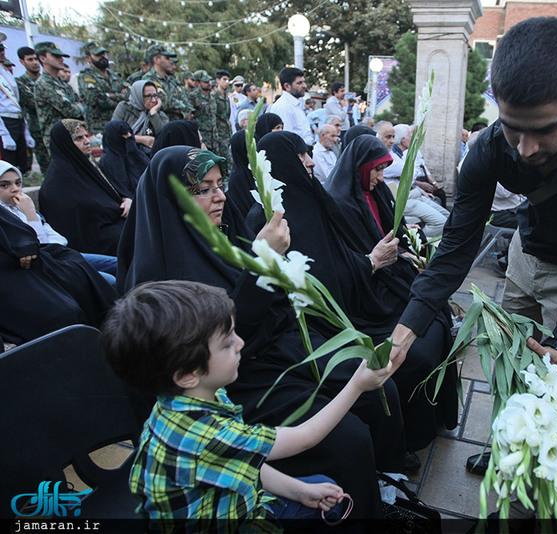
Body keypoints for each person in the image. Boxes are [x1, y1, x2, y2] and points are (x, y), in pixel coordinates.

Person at [117, 146, 405, 518]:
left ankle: (385, 486)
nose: (220, 196)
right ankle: (355, 509)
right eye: (202, 189)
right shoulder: (159, 277)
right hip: (231, 381)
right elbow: (228, 336)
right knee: (347, 440)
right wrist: (263, 265)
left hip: (273, 350)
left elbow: (275, 307)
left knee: (380, 389)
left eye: (219, 184)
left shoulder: (224, 231)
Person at [388, 17, 557, 388]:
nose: (525, 149)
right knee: (507, 364)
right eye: (513, 126)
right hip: (523, 257)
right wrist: (409, 324)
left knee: (548, 387)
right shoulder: (490, 148)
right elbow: (458, 244)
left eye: (544, 130)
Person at [102, 279, 392, 529]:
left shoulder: (186, 401)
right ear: (187, 374)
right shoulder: (207, 434)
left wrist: (299, 490)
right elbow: (305, 438)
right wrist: (357, 384)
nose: (240, 344)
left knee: (316, 485)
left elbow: (241, 461)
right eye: (226, 343)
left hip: (225, 496)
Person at [255, 132, 458, 463]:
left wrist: (394, 258)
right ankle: (397, 452)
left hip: (359, 294)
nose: (309, 160)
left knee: (430, 318)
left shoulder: (315, 199)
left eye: (309, 153)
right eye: (301, 155)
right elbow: (324, 278)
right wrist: (374, 261)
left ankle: (427, 424)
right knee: (406, 358)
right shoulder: (274, 222)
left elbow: (348, 256)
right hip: (325, 323)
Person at [0, 199, 114, 347]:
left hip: (22, 265)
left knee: (84, 278)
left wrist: (22, 242)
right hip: (9, 281)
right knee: (65, 314)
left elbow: (18, 232)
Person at [38, 119, 131, 256]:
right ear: (66, 144)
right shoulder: (57, 181)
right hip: (91, 240)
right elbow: (86, 212)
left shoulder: (86, 165)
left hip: (109, 224)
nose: (87, 141)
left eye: (86, 136)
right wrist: (116, 209)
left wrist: (126, 199)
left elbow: (110, 188)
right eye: (78, 138)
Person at [33, 42, 85, 150]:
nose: (61, 59)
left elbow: (82, 103)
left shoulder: (63, 83)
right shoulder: (44, 83)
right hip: (57, 141)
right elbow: (70, 111)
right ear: (43, 58)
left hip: (73, 135)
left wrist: (78, 106)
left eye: (61, 56)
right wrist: (78, 106)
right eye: (56, 56)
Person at [77, 41, 129, 135]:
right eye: (98, 54)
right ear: (88, 58)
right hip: (99, 130)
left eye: (103, 53)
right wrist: (120, 97)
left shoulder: (115, 76)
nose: (103, 57)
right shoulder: (86, 76)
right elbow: (95, 99)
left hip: (119, 126)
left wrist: (109, 95)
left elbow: (129, 95)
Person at [0, 44, 33, 173]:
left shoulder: (5, 72)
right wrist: (3, 133)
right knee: (8, 165)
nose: (2, 52)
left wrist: (26, 131)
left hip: (17, 121)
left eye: (3, 49)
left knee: (22, 165)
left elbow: (16, 103)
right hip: (5, 122)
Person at [112, 80, 168, 156]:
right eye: (148, 96)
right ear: (139, 95)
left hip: (150, 156)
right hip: (125, 153)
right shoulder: (124, 108)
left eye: (155, 96)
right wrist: (140, 139)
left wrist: (153, 114)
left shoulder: (159, 114)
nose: (153, 100)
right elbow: (114, 133)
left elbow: (164, 137)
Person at [16, 46, 49, 173]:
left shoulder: (47, 79)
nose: (35, 62)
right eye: (30, 60)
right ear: (22, 62)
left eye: (36, 59)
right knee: (47, 168)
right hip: (38, 131)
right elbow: (33, 102)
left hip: (55, 128)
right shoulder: (21, 82)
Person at [98, 120, 149, 197]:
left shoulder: (137, 154)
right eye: (124, 134)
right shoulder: (108, 162)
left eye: (130, 132)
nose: (129, 136)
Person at [142, 45, 190, 122]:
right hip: (160, 128)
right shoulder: (148, 79)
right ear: (157, 59)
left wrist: (181, 109)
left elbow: (186, 102)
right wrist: (182, 109)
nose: (171, 61)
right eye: (167, 58)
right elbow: (163, 102)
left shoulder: (171, 81)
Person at [270, 67, 313, 145]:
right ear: (287, 86)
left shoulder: (294, 104)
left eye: (304, 82)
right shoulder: (284, 107)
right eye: (299, 83)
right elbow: (286, 139)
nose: (304, 86)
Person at [187, 70, 217, 155]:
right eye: (205, 81)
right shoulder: (193, 97)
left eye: (209, 81)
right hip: (202, 139)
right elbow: (190, 116)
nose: (209, 83)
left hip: (214, 139)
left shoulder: (212, 97)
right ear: (198, 82)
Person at [212, 70, 232, 160]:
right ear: (218, 80)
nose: (227, 82)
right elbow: (213, 117)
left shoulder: (227, 97)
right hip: (218, 136)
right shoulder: (213, 96)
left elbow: (227, 115)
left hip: (227, 134)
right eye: (224, 79)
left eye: (228, 80)